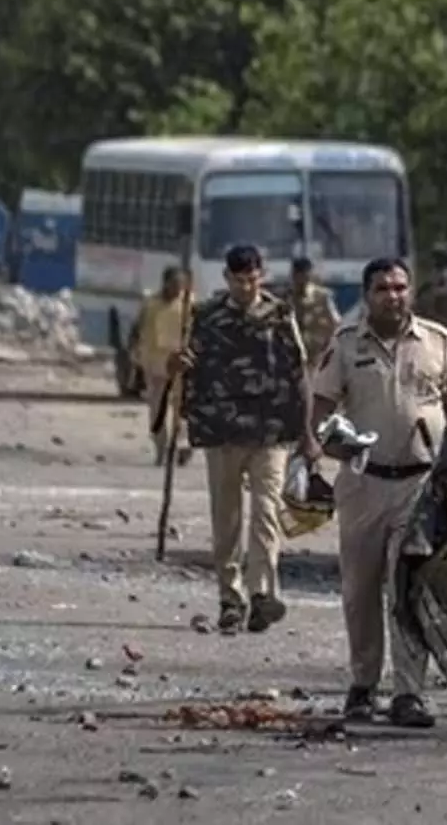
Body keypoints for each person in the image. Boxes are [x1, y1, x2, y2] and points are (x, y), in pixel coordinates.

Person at [310, 257, 447, 728]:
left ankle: (409, 692)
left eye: (400, 287)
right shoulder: (346, 343)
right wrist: (334, 443)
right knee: (360, 591)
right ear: (367, 294)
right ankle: (363, 685)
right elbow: (320, 412)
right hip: (363, 482)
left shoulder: (436, 341)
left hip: (419, 484)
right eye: (382, 289)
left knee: (409, 589)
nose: (392, 296)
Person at [169, 245, 323, 635]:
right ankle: (230, 598)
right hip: (221, 432)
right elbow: (189, 367)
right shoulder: (206, 316)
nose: (246, 286)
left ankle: (262, 596)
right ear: (227, 278)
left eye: (252, 279)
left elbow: (298, 373)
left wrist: (307, 434)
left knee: (266, 514)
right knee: (227, 520)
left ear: (262, 276)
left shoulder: (279, 315)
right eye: (239, 280)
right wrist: (179, 367)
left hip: (269, 431)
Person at [134, 266, 192, 466]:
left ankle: (183, 444)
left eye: (181, 284)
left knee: (182, 409)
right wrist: (134, 355)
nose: (178, 289)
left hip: (181, 365)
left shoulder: (188, 304)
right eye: (174, 284)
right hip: (155, 364)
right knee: (157, 411)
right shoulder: (151, 304)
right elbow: (137, 328)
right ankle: (161, 449)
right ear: (165, 283)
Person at [288, 256, 341, 366]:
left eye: (304, 275)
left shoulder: (322, 297)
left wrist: (330, 345)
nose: (300, 279)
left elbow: (335, 322)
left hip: (318, 353)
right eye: (297, 275)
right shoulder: (286, 297)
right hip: (293, 355)